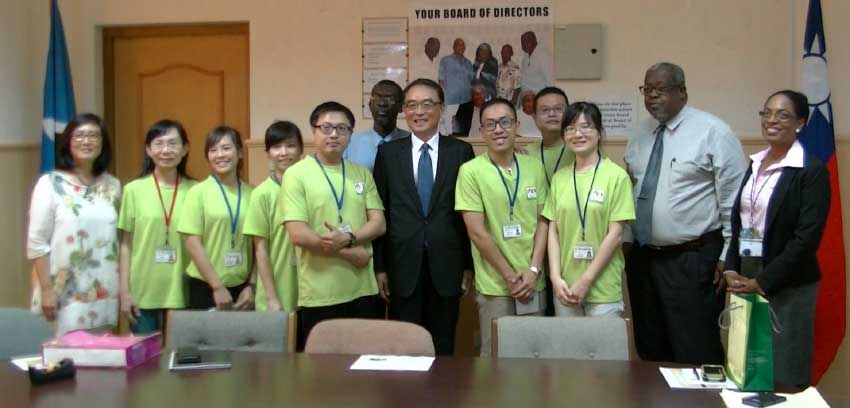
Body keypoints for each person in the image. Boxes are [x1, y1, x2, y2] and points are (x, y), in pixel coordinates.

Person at [624, 62, 747, 364]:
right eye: (647, 89)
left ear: (682, 92)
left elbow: (735, 201)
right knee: (651, 347)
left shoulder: (713, 132)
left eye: (661, 90)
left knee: (694, 346)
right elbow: (632, 192)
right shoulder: (640, 134)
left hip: (692, 258)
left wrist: (727, 257)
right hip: (644, 259)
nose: (652, 96)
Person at [723, 90, 830, 386]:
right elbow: (741, 222)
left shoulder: (810, 170)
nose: (772, 120)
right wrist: (732, 267)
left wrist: (763, 282)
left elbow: (806, 239)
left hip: (787, 284)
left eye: (783, 115)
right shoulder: (755, 163)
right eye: (766, 112)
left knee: (782, 372)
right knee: (745, 369)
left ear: (801, 122)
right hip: (746, 277)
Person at [373, 78, 475, 355]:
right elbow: (380, 212)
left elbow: (468, 215)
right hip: (401, 266)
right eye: (411, 105)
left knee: (443, 346)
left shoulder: (462, 152)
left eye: (427, 104)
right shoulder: (387, 154)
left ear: (441, 108)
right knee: (403, 348)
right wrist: (380, 266)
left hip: (447, 265)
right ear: (404, 110)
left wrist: (468, 266)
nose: (418, 111)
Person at [281, 102, 385, 347]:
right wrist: (351, 254)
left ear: (351, 135)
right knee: (322, 376)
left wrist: (348, 239)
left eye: (342, 128)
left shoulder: (361, 174)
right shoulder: (296, 174)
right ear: (313, 132)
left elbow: (378, 223)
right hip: (319, 294)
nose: (334, 134)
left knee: (365, 370)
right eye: (326, 127)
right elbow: (298, 234)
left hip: (364, 291)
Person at [455, 98, 548, 356]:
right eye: (491, 124)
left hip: (533, 281)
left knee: (534, 353)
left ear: (516, 125)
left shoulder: (534, 166)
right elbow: (477, 232)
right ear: (482, 131)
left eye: (505, 122)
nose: (499, 129)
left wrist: (533, 271)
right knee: (495, 355)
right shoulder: (470, 171)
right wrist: (509, 276)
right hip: (496, 284)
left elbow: (544, 221)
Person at [27, 113, 121, 335]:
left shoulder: (113, 186)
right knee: (61, 363)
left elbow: (117, 239)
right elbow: (37, 243)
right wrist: (47, 291)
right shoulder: (49, 184)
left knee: (100, 361)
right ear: (68, 142)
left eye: (93, 136)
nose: (86, 141)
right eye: (79, 136)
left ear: (102, 143)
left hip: (104, 292)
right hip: (62, 294)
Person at [543, 102, 635, 318]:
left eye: (586, 127)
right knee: (568, 350)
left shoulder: (616, 176)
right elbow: (553, 232)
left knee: (604, 351)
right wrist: (556, 278)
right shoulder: (560, 178)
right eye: (571, 128)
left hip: (603, 289)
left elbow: (616, 235)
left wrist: (585, 281)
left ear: (599, 133)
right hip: (565, 289)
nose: (578, 134)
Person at [118, 119, 196, 334]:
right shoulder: (133, 190)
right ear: (148, 150)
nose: (166, 150)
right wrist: (124, 292)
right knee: (144, 361)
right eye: (159, 144)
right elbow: (126, 245)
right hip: (142, 290)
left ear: (185, 149)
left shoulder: (196, 191)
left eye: (173, 143)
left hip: (184, 288)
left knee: (182, 360)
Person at [178, 126, 256, 310]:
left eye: (226, 148)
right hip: (206, 287)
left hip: (243, 288)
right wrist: (217, 286)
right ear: (207, 157)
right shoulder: (197, 192)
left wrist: (252, 286)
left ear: (239, 152)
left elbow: (259, 245)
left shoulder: (253, 193)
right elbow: (192, 243)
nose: (220, 155)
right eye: (213, 150)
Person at [243, 121, 303, 313]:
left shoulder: (310, 189)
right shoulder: (262, 194)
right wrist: (271, 297)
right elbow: (260, 250)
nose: (284, 152)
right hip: (277, 294)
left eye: (290, 145)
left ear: (301, 149)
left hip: (308, 292)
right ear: (267, 153)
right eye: (277, 147)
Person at [344, 80, 410, 172]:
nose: (382, 103)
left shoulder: (411, 142)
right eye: (377, 98)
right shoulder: (350, 142)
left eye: (390, 98)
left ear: (401, 107)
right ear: (370, 105)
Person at [525, 87, 573, 186]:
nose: (552, 114)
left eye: (558, 109)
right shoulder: (525, 153)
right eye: (545, 110)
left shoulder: (580, 150)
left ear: (569, 114)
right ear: (534, 116)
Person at [438, 38, 474, 105]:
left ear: (465, 48)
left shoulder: (468, 63)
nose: (461, 47)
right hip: (450, 100)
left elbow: (471, 81)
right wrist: (443, 98)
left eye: (463, 45)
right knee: (449, 115)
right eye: (458, 45)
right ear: (453, 47)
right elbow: (441, 81)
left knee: (464, 116)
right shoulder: (445, 60)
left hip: (466, 99)